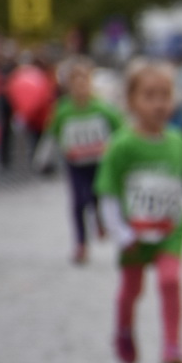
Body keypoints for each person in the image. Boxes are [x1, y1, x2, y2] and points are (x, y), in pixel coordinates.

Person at [95, 59, 182, 363]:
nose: (159, 104)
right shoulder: (122, 146)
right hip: (134, 233)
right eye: (149, 95)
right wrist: (120, 232)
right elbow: (108, 193)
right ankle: (124, 328)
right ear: (131, 101)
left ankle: (172, 345)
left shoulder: (178, 142)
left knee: (170, 281)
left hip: (170, 230)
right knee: (132, 289)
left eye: (165, 95)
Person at [44, 58, 123, 264]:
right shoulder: (64, 109)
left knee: (97, 195)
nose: (81, 89)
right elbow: (52, 133)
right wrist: (47, 158)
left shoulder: (102, 108)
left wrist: (114, 150)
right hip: (76, 164)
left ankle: (100, 220)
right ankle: (81, 244)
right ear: (69, 87)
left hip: (99, 163)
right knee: (79, 201)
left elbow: (120, 129)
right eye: (76, 84)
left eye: (84, 83)